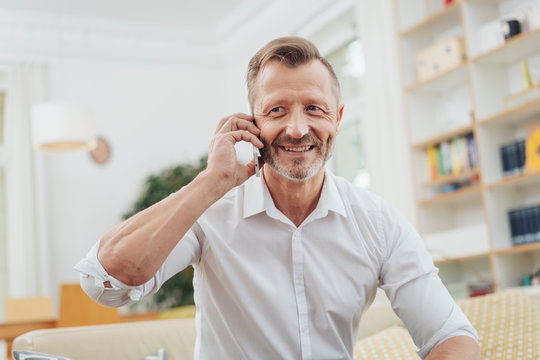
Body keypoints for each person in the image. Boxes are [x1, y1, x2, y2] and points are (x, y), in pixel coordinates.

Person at [76, 36, 481, 359]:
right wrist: (209, 182)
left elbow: (450, 335)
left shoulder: (378, 222)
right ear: (252, 122)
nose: (297, 128)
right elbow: (105, 284)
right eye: (277, 111)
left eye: (314, 108)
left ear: (337, 119)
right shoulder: (211, 209)